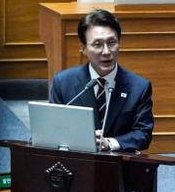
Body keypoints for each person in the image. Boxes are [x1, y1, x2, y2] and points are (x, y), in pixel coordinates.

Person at [49, 9, 153, 152]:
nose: (106, 52)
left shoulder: (139, 87)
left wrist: (109, 143)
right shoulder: (63, 83)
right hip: (77, 160)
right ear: (83, 48)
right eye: (97, 44)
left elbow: (143, 134)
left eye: (112, 43)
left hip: (119, 162)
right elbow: (53, 129)